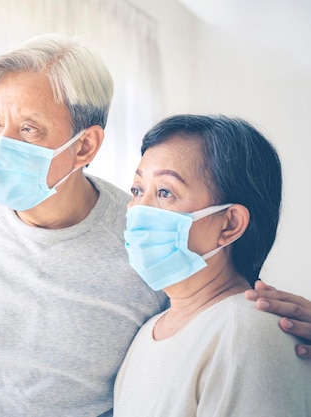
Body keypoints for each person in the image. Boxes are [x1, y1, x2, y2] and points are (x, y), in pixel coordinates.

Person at [0, 34, 311, 417]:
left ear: (84, 144)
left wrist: (281, 332)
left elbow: (217, 317)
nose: (1, 145)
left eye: (28, 128)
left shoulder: (142, 244)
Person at [113, 114, 311, 416]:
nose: (139, 210)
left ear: (229, 224)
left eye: (165, 192)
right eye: (137, 190)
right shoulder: (149, 332)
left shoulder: (247, 332)